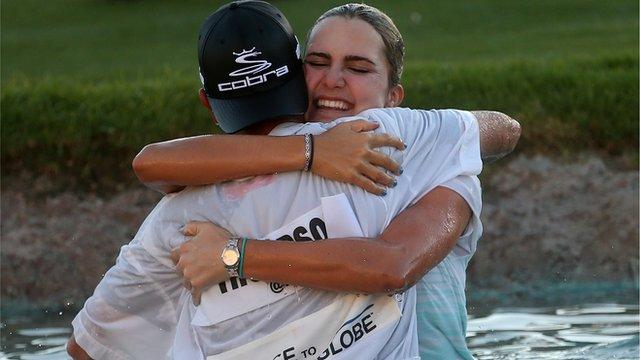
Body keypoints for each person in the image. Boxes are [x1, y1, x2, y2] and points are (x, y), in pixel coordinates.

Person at [67, 2, 519, 359]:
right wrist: (312, 153)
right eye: (318, 63)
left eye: (359, 68)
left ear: (395, 99)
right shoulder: (197, 196)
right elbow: (152, 163)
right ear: (295, 77)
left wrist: (233, 255)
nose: (334, 80)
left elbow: (391, 267)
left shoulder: (419, 152)